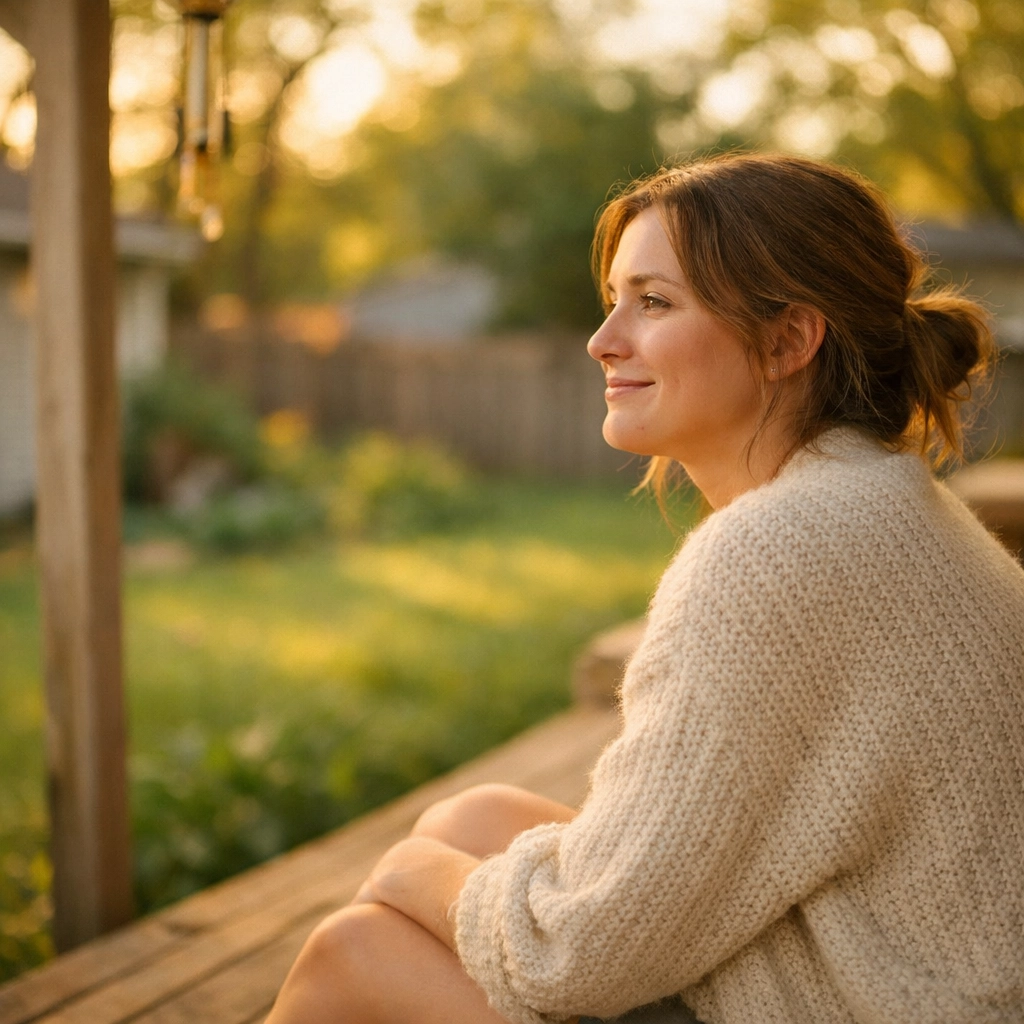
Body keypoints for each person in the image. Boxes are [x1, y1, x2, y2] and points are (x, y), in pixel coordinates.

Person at [265, 154, 1024, 1024]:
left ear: (787, 341)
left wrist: (407, 875)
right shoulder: (878, 498)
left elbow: (579, 957)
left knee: (355, 954)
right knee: (476, 817)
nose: (603, 340)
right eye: (614, 299)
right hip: (894, 973)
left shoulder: (776, 553)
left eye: (654, 302)